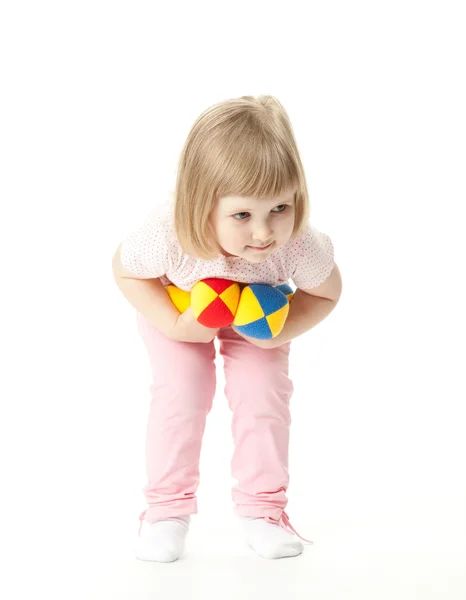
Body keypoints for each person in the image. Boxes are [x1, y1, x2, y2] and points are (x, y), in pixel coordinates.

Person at [112, 95, 342, 562]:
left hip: (257, 313)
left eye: (280, 207)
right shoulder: (167, 233)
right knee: (182, 393)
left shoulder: (298, 243)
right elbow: (126, 270)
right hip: (180, 307)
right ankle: (165, 512)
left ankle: (263, 511)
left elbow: (326, 292)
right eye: (242, 215)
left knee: (263, 396)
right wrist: (175, 324)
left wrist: (277, 332)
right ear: (201, 205)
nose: (264, 232)